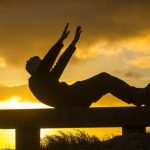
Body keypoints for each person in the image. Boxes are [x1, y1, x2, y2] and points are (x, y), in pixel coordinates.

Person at [26, 23, 150, 108]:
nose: (42, 63)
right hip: (71, 97)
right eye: (39, 63)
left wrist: (73, 43)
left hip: (72, 99)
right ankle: (137, 96)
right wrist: (60, 41)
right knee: (103, 79)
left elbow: (59, 65)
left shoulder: (46, 80)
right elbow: (48, 62)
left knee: (104, 82)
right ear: (32, 69)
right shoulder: (36, 81)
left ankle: (142, 96)